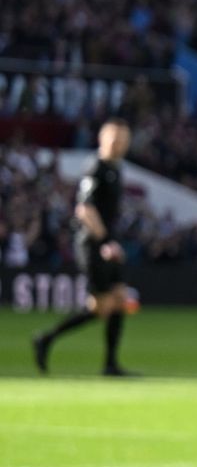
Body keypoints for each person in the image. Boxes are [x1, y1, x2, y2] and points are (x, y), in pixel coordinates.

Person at [32, 119, 137, 377]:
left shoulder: (116, 169)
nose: (119, 144)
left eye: (123, 140)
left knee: (119, 299)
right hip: (92, 245)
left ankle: (110, 364)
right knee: (100, 307)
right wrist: (105, 242)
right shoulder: (95, 168)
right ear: (102, 139)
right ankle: (46, 339)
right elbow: (85, 210)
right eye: (115, 139)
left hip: (108, 245)